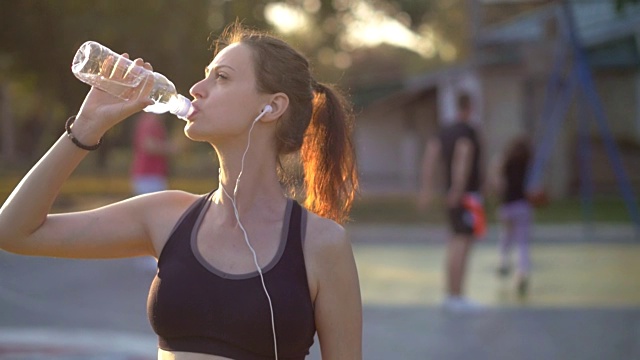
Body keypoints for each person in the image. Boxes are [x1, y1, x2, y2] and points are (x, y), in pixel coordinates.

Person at [0, 22, 362, 360]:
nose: (196, 89)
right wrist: (86, 127)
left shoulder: (320, 243)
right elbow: (15, 231)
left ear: (271, 107)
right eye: (205, 75)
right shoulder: (166, 216)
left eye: (221, 77)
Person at [418, 92, 485, 313]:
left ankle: (452, 294)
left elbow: (430, 157)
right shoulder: (467, 131)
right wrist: (458, 187)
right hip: (466, 195)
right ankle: (457, 295)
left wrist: (427, 188)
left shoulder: (444, 131)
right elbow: (463, 154)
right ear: (470, 107)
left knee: (455, 241)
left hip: (454, 193)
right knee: (462, 242)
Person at [489, 135, 534, 297]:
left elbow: (497, 181)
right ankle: (521, 272)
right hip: (522, 205)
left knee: (505, 236)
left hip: (507, 206)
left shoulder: (506, 163)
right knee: (522, 243)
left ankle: (503, 261)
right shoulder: (526, 162)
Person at [130, 112, 177, 196]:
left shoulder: (153, 122)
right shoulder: (150, 122)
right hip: (148, 176)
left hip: (152, 175)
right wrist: (170, 148)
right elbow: (148, 145)